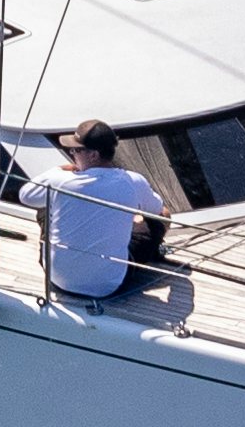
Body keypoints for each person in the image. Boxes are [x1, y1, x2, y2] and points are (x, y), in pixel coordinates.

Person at [21, 119, 173, 305]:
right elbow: (160, 212)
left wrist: (59, 169)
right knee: (161, 216)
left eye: (76, 150)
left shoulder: (60, 181)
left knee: (44, 206)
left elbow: (26, 196)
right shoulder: (133, 181)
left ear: (93, 155)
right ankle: (154, 252)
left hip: (56, 278)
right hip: (106, 287)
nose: (71, 153)